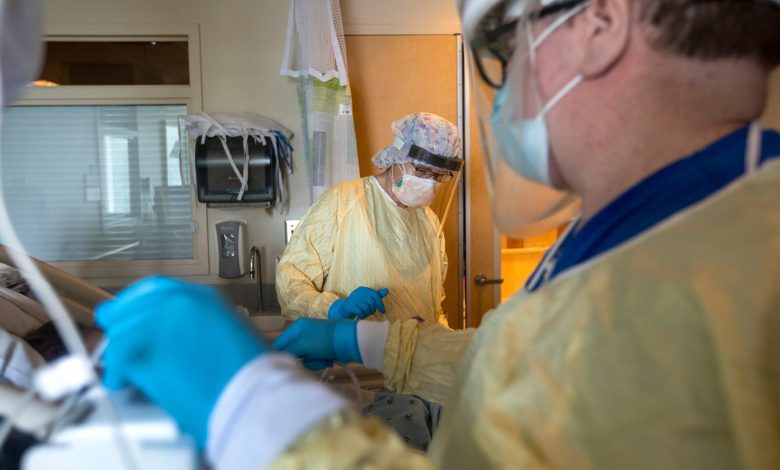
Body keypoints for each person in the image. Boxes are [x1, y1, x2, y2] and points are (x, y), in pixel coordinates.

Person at [95, 0, 780, 468]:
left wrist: (258, 414)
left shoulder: (696, 280)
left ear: (601, 24)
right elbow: (526, 363)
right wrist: (353, 336)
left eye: (505, 48)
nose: (506, 87)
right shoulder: (666, 225)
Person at [276, 112, 462, 326]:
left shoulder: (429, 221)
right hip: (354, 346)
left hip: (416, 345)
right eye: (423, 170)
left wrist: (441, 336)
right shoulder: (343, 201)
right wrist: (336, 308)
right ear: (398, 157)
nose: (430, 182)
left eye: (439, 175)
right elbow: (292, 280)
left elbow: (434, 301)